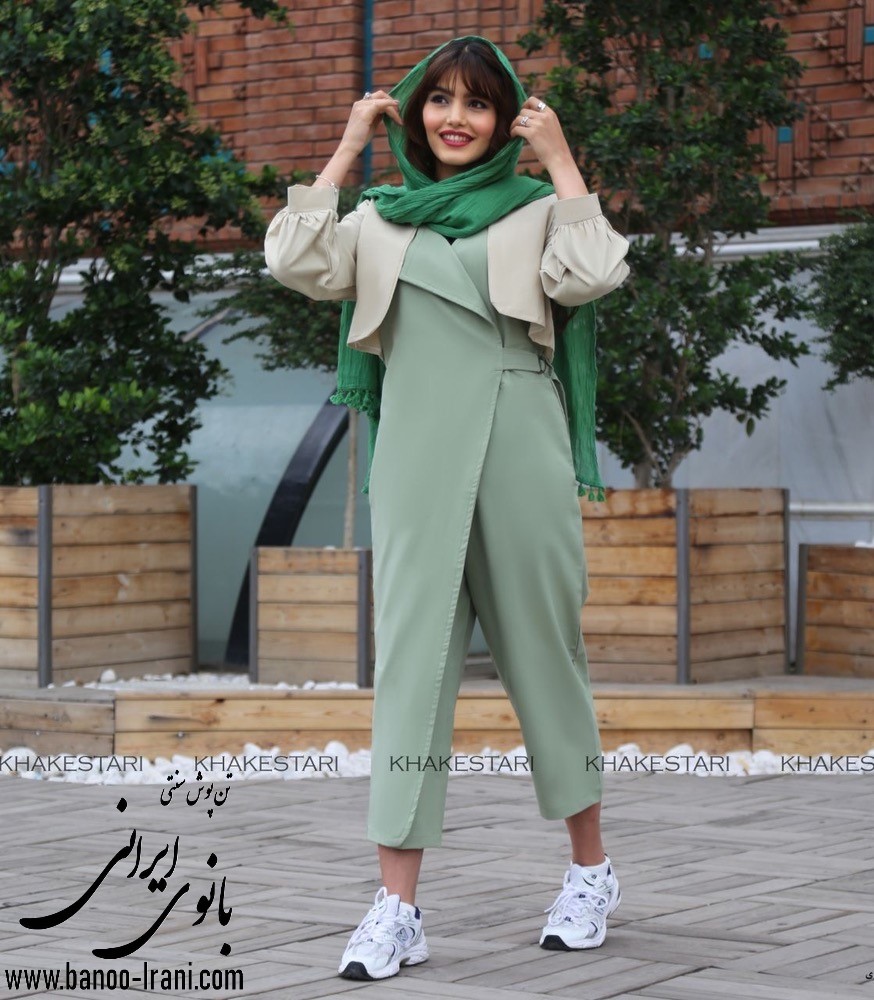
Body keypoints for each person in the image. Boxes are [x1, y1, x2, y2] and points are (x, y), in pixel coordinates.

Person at [264, 35, 630, 983]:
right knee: (411, 673)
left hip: (521, 447)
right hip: (417, 458)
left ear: (506, 119)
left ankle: (590, 873)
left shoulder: (538, 209)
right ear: (415, 112)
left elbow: (593, 274)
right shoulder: (376, 222)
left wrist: (561, 162)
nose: (455, 117)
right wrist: (348, 147)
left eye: (476, 102)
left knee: (547, 659)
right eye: (439, 99)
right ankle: (396, 909)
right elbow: (294, 258)